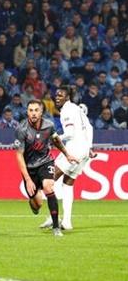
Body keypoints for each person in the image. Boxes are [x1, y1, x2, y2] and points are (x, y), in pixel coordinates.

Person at [14, 100, 78, 237]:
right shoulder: (21, 129)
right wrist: (27, 179)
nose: (33, 113)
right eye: (30, 110)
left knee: (49, 187)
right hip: (30, 168)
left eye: (36, 110)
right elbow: (19, 156)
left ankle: (56, 227)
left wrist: (67, 155)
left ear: (41, 112)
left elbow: (56, 141)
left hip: (46, 162)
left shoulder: (49, 125)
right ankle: (34, 203)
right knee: (37, 204)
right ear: (27, 112)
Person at [39, 87, 94, 231]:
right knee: (68, 183)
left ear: (67, 97)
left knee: (49, 179)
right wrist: (89, 147)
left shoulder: (67, 110)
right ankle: (67, 221)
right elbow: (89, 128)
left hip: (74, 149)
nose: (57, 97)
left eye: (60, 95)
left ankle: (52, 217)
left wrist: (53, 138)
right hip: (83, 150)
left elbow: (69, 133)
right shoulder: (77, 109)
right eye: (56, 95)